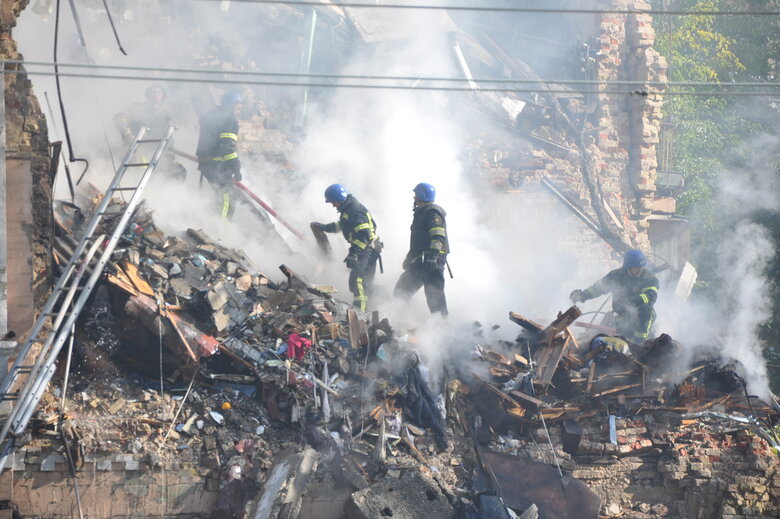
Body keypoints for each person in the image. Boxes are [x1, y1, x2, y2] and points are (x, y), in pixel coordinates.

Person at [312, 184, 382, 312]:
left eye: (333, 202)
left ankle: (359, 313)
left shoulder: (354, 210)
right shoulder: (348, 209)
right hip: (369, 249)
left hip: (367, 249)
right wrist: (325, 227)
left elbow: (364, 236)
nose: (333, 205)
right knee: (366, 283)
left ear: (338, 198)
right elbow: (343, 225)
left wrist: (354, 254)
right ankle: (373, 310)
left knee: (357, 280)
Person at [570, 249, 659, 343]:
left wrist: (633, 301)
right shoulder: (616, 276)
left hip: (643, 319)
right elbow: (598, 288)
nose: (640, 270)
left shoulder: (649, 279)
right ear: (628, 267)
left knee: (645, 309)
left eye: (641, 266)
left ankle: (640, 342)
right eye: (636, 267)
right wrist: (582, 295)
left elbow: (651, 296)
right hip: (623, 317)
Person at [394, 182, 449, 315]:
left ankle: (441, 325)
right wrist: (409, 258)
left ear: (422, 196)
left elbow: (438, 236)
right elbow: (418, 242)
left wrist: (433, 256)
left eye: (416, 195)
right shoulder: (421, 213)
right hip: (421, 261)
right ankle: (400, 320)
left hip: (433, 261)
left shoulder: (432, 212)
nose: (414, 198)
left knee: (434, 297)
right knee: (402, 289)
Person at [113, 84, 186, 181]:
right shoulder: (137, 108)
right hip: (139, 150)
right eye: (153, 92)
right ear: (148, 95)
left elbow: (168, 138)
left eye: (159, 93)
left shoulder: (166, 114)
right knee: (144, 172)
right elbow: (119, 118)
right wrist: (128, 136)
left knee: (179, 171)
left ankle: (168, 190)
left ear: (163, 96)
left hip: (158, 154)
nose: (156, 95)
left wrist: (169, 155)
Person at [196, 91, 244, 220]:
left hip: (207, 163)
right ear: (230, 105)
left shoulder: (212, 115)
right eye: (238, 107)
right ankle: (221, 228)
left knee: (222, 196)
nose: (239, 111)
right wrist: (236, 166)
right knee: (227, 197)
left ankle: (213, 223)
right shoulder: (229, 120)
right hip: (216, 164)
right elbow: (227, 147)